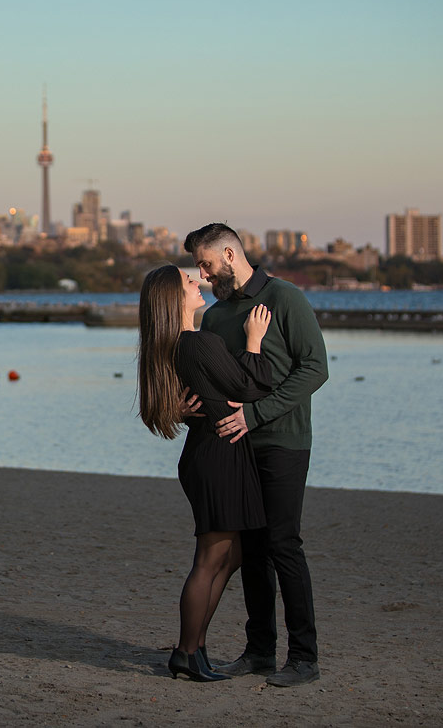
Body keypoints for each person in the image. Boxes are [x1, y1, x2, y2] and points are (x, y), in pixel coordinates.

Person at [184, 222, 328, 687]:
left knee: (284, 545)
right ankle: (260, 651)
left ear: (229, 255)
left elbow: (315, 369)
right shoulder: (215, 317)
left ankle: (304, 658)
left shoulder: (285, 298)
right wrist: (188, 408)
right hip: (234, 447)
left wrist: (256, 414)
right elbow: (217, 385)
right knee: (252, 551)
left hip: (284, 441)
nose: (203, 275)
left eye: (206, 264)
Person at [137, 264, 274, 682]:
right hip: (216, 455)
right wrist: (253, 341)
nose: (198, 284)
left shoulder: (175, 346)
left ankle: (194, 647)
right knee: (210, 558)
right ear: (173, 300)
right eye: (188, 283)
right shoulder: (197, 343)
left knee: (230, 555)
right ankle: (186, 651)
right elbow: (252, 388)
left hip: (211, 454)